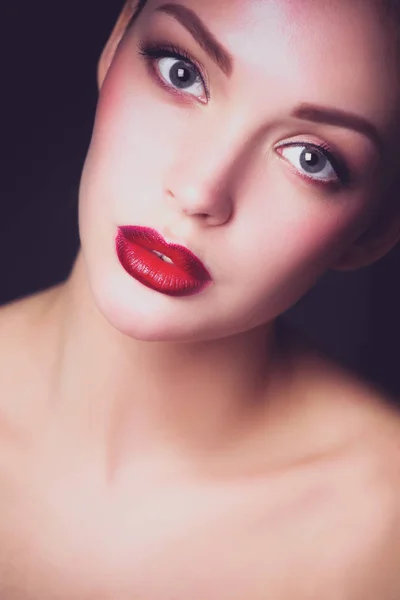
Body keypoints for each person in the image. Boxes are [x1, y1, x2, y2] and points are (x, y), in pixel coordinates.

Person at [1, 0, 400, 597]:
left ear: (374, 231)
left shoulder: (382, 531)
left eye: (310, 158)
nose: (198, 191)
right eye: (181, 72)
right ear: (114, 46)